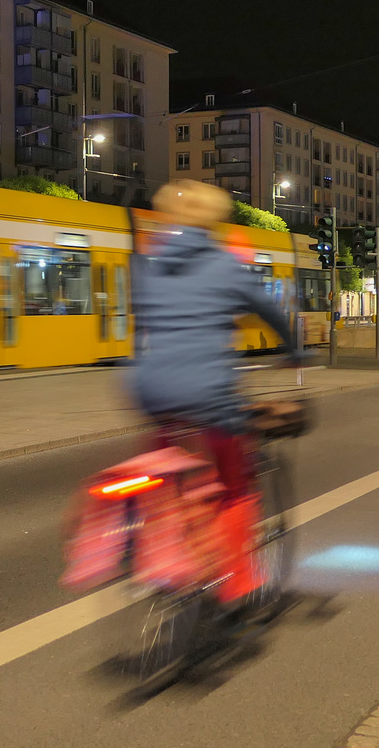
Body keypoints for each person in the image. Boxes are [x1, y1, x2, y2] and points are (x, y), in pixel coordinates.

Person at [128, 179, 298, 603]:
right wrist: (294, 350)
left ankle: (151, 547)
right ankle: (239, 581)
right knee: (235, 483)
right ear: (214, 220)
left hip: (149, 389)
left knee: (163, 465)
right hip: (208, 390)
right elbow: (270, 310)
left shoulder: (145, 262)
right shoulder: (223, 264)